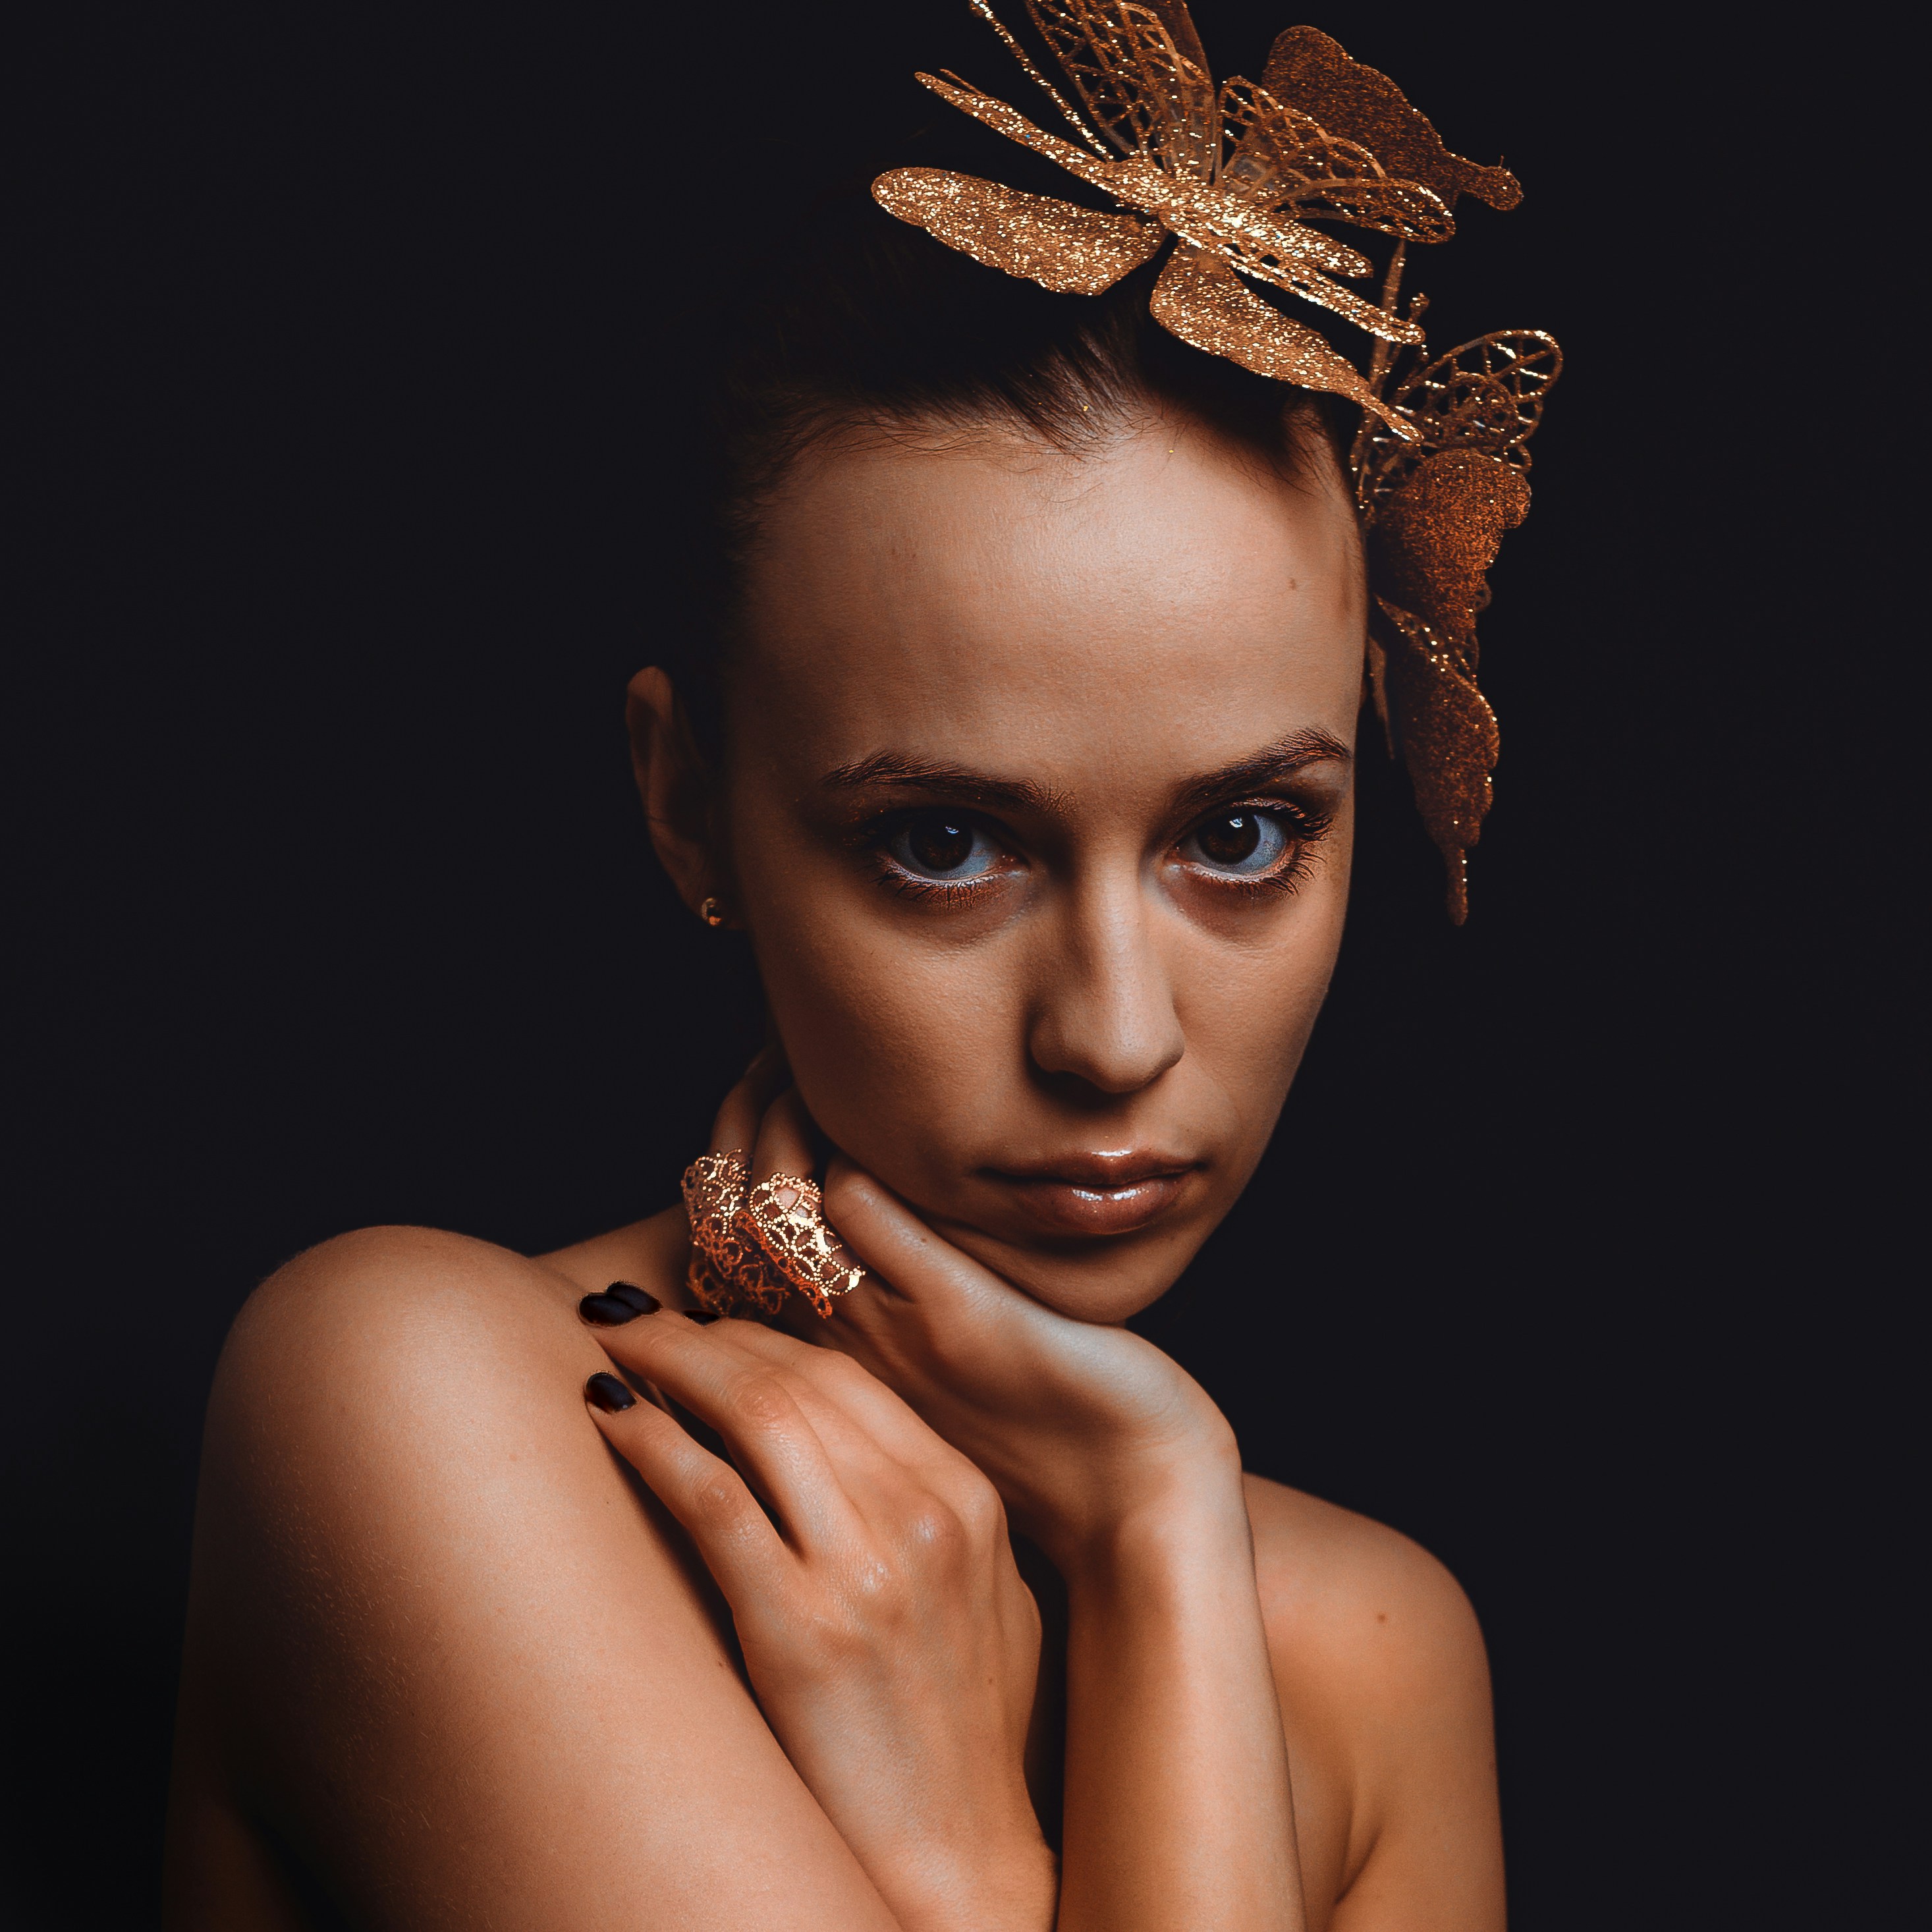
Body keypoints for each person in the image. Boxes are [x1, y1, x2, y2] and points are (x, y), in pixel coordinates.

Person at [164, 18, 1546, 1921]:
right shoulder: (417, 1408)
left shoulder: (1375, 1651)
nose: (1115, 1036)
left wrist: (1150, 1544)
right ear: (687, 807)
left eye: (1242, 836)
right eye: (947, 845)